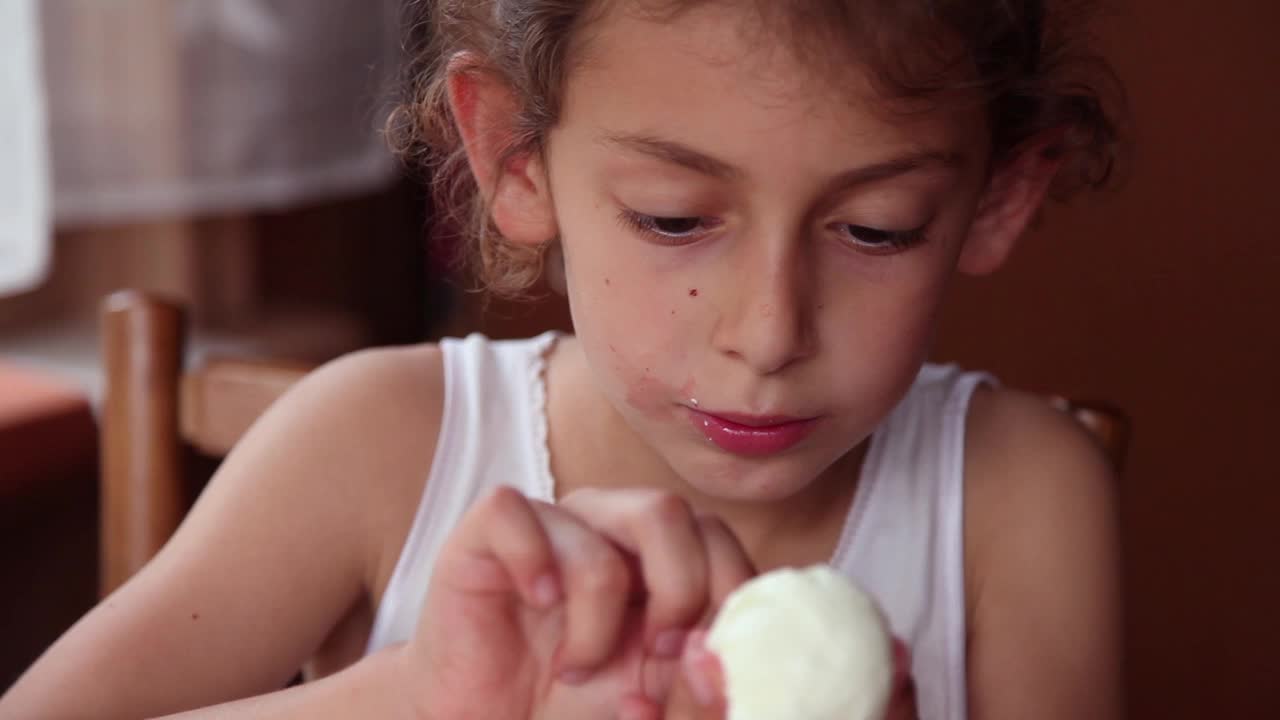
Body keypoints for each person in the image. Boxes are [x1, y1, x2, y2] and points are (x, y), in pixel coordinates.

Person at [0, 1, 1125, 718]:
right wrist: (422, 701)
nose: (769, 332)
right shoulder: (376, 448)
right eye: (674, 219)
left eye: (876, 228)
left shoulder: (1016, 492)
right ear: (514, 158)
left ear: (998, 197)